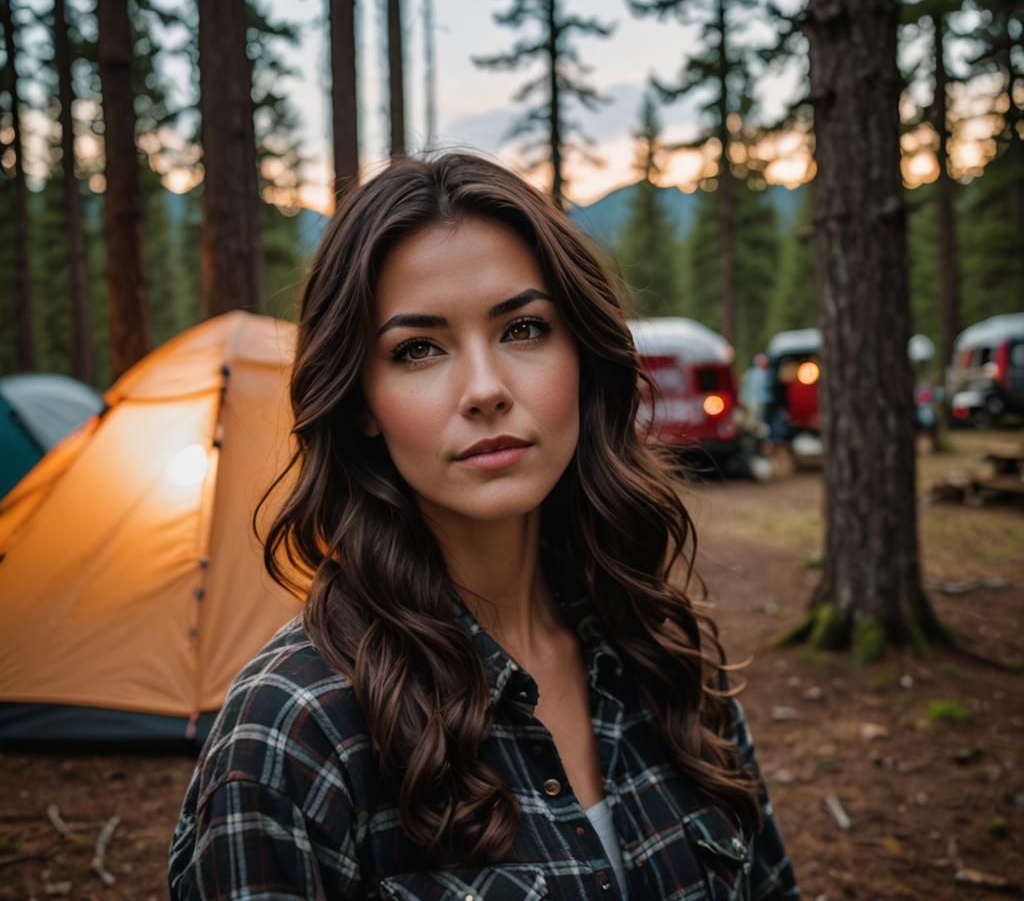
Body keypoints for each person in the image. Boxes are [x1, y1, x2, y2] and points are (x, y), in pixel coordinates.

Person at [168, 153, 799, 900]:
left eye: (524, 329)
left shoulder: (663, 654)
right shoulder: (291, 733)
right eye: (418, 349)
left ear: (583, 357)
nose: (486, 390)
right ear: (362, 403)